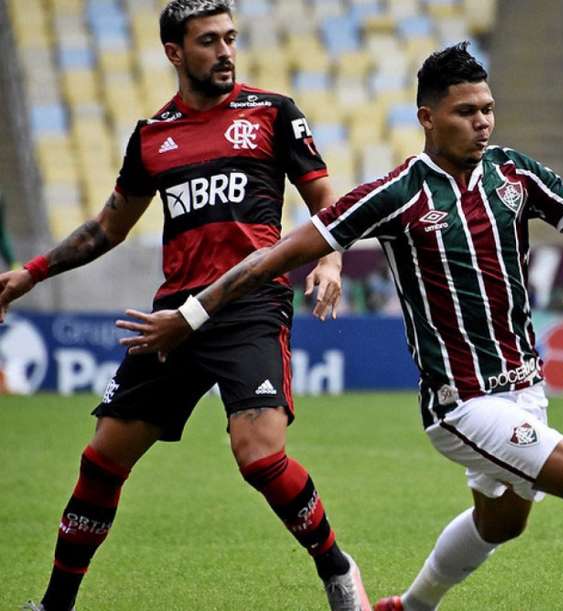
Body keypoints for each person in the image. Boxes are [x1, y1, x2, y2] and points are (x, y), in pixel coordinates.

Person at [112, 43, 563, 610]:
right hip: (462, 402)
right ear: (428, 117)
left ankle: (409, 607)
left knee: (502, 523)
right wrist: (189, 317)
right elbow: (272, 257)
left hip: (525, 388)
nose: (482, 123)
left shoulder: (516, 174)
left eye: (487, 109)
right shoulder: (398, 193)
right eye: (465, 112)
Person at [0, 2, 371, 610]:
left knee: (259, 455)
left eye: (230, 38)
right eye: (208, 42)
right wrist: (31, 273)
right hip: (172, 317)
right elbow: (107, 229)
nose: (225, 51)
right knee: (102, 459)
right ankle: (54, 605)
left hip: (251, 303)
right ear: (175, 52)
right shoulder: (151, 137)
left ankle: (336, 569)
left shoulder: (272, 114)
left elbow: (328, 203)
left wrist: (329, 260)